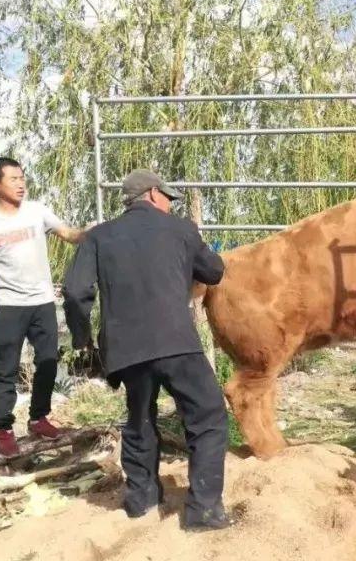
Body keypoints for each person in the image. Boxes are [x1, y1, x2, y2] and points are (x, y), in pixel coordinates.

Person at [61, 169, 232, 531]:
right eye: (167, 196)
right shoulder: (181, 229)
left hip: (125, 351)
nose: (170, 203)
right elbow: (214, 272)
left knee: (139, 420)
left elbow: (75, 292)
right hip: (176, 343)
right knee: (208, 416)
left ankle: (142, 500)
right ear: (153, 194)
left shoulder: (98, 236)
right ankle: (202, 509)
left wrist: (82, 341)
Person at [0, 157, 86, 457]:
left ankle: (38, 418)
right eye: (13, 179)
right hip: (7, 306)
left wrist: (93, 232)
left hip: (42, 302)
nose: (21, 184)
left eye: (22, 178)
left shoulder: (36, 211)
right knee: (6, 368)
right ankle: (4, 429)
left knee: (47, 362)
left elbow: (68, 234)